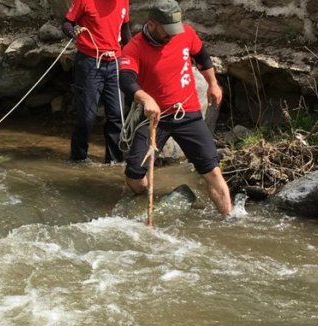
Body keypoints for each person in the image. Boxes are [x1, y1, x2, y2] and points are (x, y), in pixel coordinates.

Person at [118, 0, 232, 215]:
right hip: (154, 118)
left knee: (213, 171)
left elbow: (202, 56)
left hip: (187, 113)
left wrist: (213, 84)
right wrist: (145, 98)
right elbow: (125, 79)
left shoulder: (185, 33)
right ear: (152, 24)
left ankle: (230, 220)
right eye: (167, 30)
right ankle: (145, 202)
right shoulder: (134, 47)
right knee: (134, 176)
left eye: (175, 28)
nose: (173, 34)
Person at [62, 0, 132, 163]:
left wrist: (133, 56)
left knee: (117, 115)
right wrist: (72, 31)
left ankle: (114, 162)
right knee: (87, 117)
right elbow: (66, 23)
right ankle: (78, 159)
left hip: (115, 62)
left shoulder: (123, 1)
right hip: (89, 62)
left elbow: (125, 29)